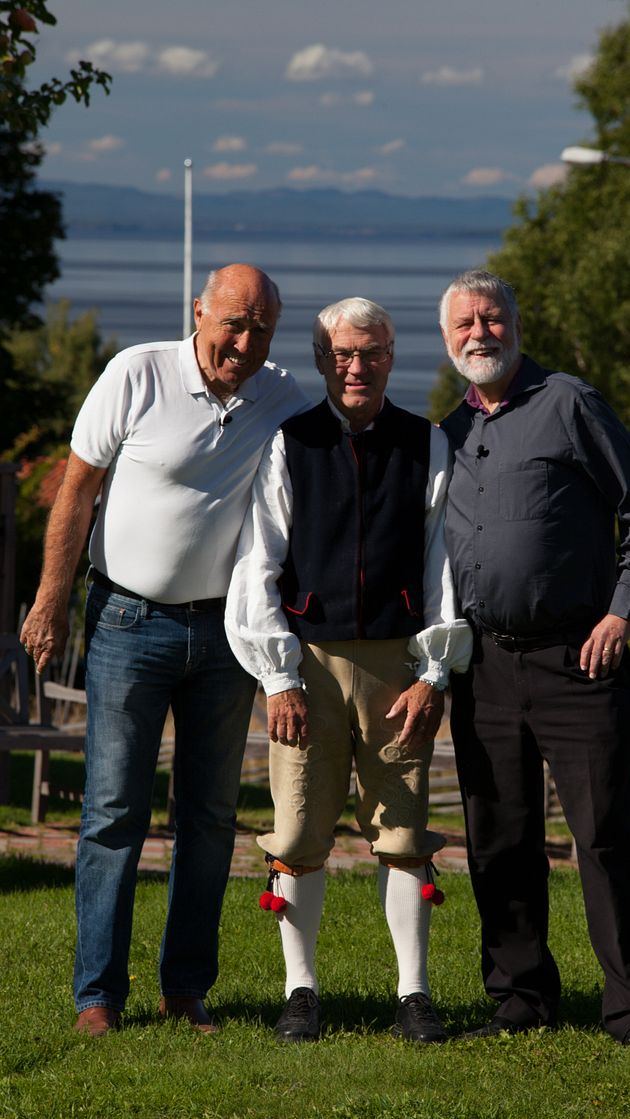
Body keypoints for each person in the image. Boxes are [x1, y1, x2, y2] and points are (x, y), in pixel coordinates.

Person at [20, 264, 308, 1037]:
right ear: (200, 312)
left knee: (210, 818)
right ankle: (96, 996)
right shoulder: (136, 372)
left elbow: (346, 442)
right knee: (114, 812)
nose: (243, 343)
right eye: (233, 324)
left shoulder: (282, 395)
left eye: (261, 331)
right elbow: (77, 488)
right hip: (126, 622)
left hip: (224, 635)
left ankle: (185, 988)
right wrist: (50, 599)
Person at [438, 269, 630, 1051]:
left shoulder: (569, 402)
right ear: (449, 340)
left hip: (580, 655)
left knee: (602, 834)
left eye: (492, 317)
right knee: (498, 837)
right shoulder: (448, 435)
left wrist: (621, 608)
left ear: (515, 322)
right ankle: (520, 995)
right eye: (465, 323)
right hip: (486, 668)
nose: (481, 332)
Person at [225, 297, 472, 1043]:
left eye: (371, 353)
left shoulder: (424, 442)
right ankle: (301, 992)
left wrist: (434, 672)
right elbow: (258, 563)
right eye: (341, 354)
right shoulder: (289, 442)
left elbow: (442, 566)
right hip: (308, 666)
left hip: (399, 665)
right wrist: (278, 677)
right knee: (299, 832)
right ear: (321, 359)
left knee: (402, 833)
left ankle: (413, 994)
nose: (356, 366)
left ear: (392, 356)